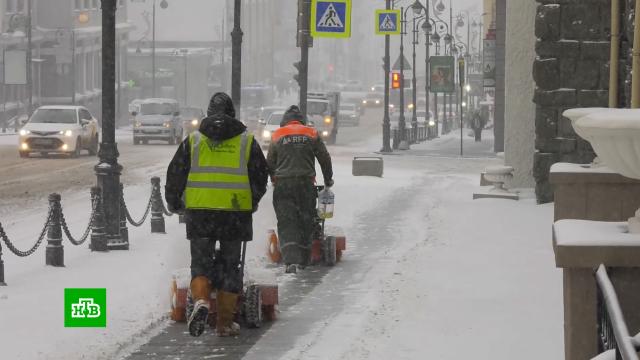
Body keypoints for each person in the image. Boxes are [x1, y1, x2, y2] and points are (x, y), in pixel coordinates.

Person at [165, 92, 268, 337]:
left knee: (200, 265)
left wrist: (175, 202)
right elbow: (260, 176)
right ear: (232, 113)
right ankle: (224, 323)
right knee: (231, 267)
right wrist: (251, 201)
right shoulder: (246, 141)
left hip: (200, 214)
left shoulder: (193, 141)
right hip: (235, 214)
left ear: (208, 113)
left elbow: (175, 174)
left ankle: (201, 299)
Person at [267, 105, 334, 274]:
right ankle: (305, 259)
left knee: (286, 221)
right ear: (301, 120)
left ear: (285, 121)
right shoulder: (311, 133)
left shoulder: (277, 135)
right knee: (306, 220)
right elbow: (324, 157)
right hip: (305, 184)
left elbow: (270, 163)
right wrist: (328, 178)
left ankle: (291, 260)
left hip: (284, 185)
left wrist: (273, 179)